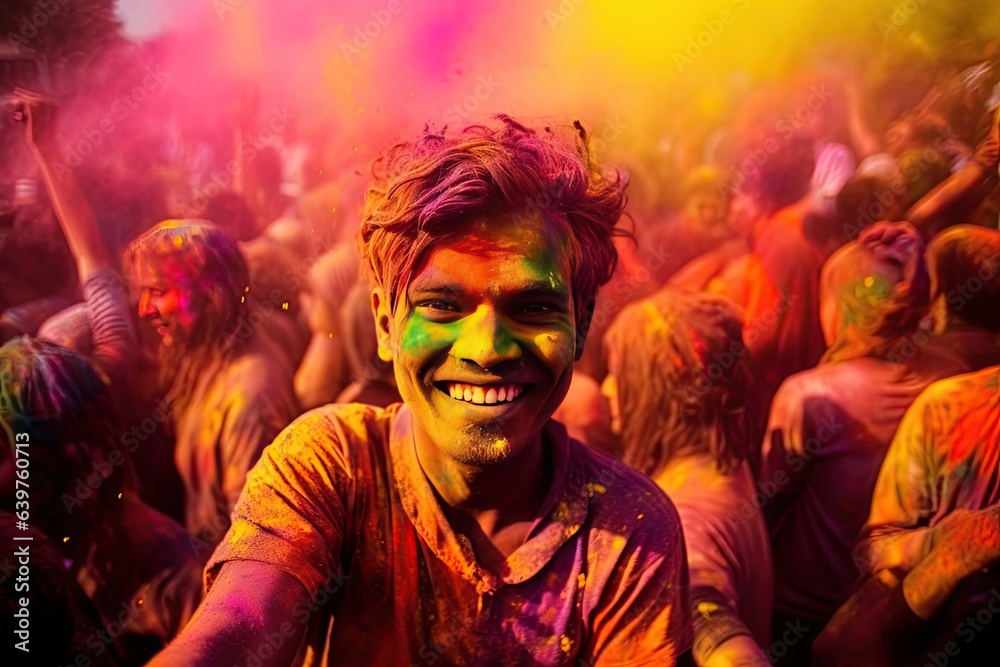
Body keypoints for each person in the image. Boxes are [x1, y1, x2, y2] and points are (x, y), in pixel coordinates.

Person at [148, 116, 691, 666]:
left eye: (532, 308)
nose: (487, 349)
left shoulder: (629, 531)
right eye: (442, 306)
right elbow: (240, 622)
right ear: (385, 324)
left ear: (582, 322)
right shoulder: (332, 465)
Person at [759, 221, 997, 660]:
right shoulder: (952, 381)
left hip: (803, 608)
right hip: (892, 609)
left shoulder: (811, 395)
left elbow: (768, 503)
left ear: (843, 308)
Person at [602, 290, 773, 666]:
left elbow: (707, 610)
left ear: (657, 391)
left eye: (620, 374)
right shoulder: (724, 457)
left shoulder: (682, 517)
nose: (607, 388)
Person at [122, 219, 299, 549]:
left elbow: (255, 546)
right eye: (142, 292)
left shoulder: (249, 400)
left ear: (210, 294)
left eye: (159, 291)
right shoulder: (222, 346)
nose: (145, 310)